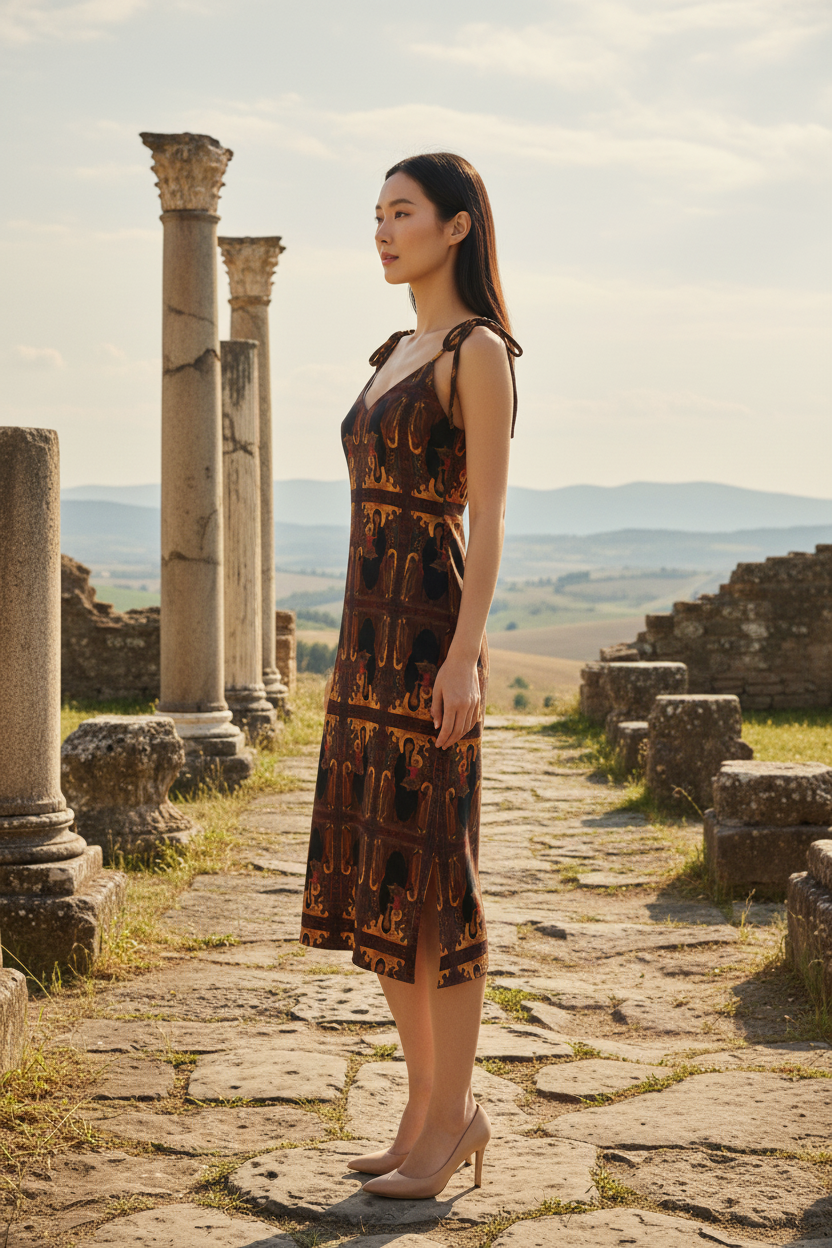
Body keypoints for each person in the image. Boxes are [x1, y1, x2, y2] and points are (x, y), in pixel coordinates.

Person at [300, 151, 521, 1199]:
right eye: (376, 214)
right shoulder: (393, 348)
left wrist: (465, 659)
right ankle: (426, 1111)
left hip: (430, 628)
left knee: (437, 883)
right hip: (364, 639)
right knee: (382, 879)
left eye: (402, 212)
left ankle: (451, 1121)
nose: (382, 231)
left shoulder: (476, 351)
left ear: (457, 227)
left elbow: (488, 520)